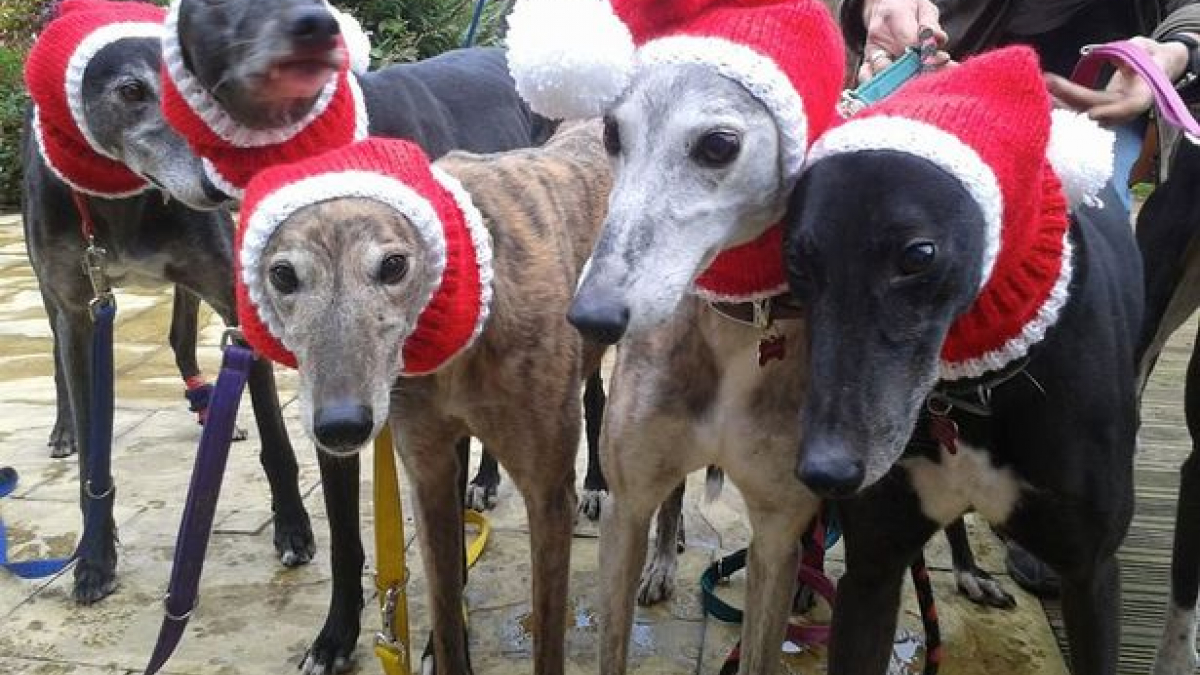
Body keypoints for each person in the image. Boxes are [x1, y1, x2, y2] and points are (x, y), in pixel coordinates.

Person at [838, 0, 1200, 596]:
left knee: (1078, 310)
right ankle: (885, 485)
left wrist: (1179, 46)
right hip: (958, 77)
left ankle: (1061, 485)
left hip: (1099, 102)